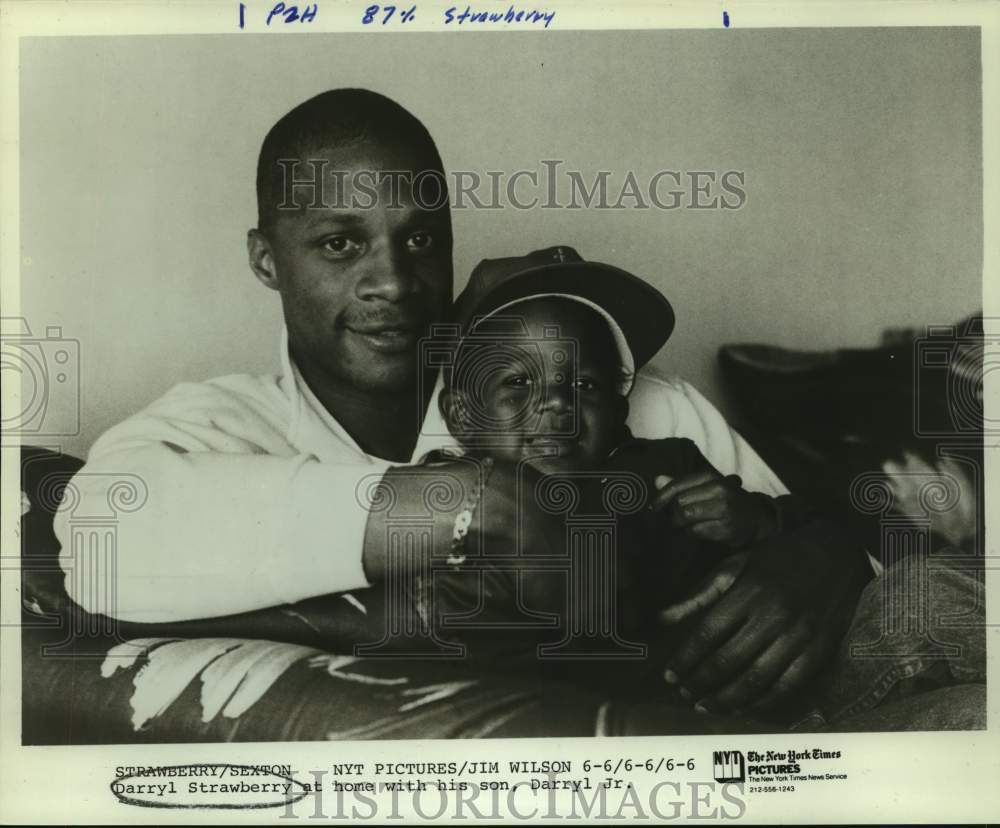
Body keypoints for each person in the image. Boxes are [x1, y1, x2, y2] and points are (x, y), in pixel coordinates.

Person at [54, 88, 871, 715]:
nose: (393, 281)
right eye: (340, 243)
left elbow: (830, 547)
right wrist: (464, 505)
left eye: (420, 239)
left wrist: (825, 560)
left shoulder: (620, 399)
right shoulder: (224, 424)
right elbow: (97, 538)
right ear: (266, 261)